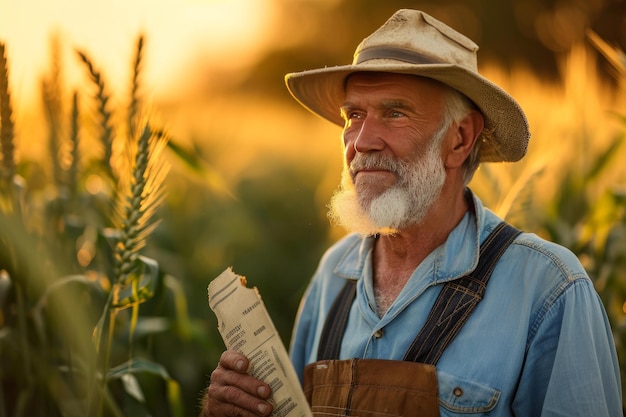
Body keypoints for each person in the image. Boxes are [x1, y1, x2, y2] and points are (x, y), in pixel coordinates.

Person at [201, 9, 622, 417]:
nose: (361, 142)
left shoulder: (548, 290)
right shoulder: (334, 276)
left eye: (394, 112)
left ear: (459, 139)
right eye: (354, 115)